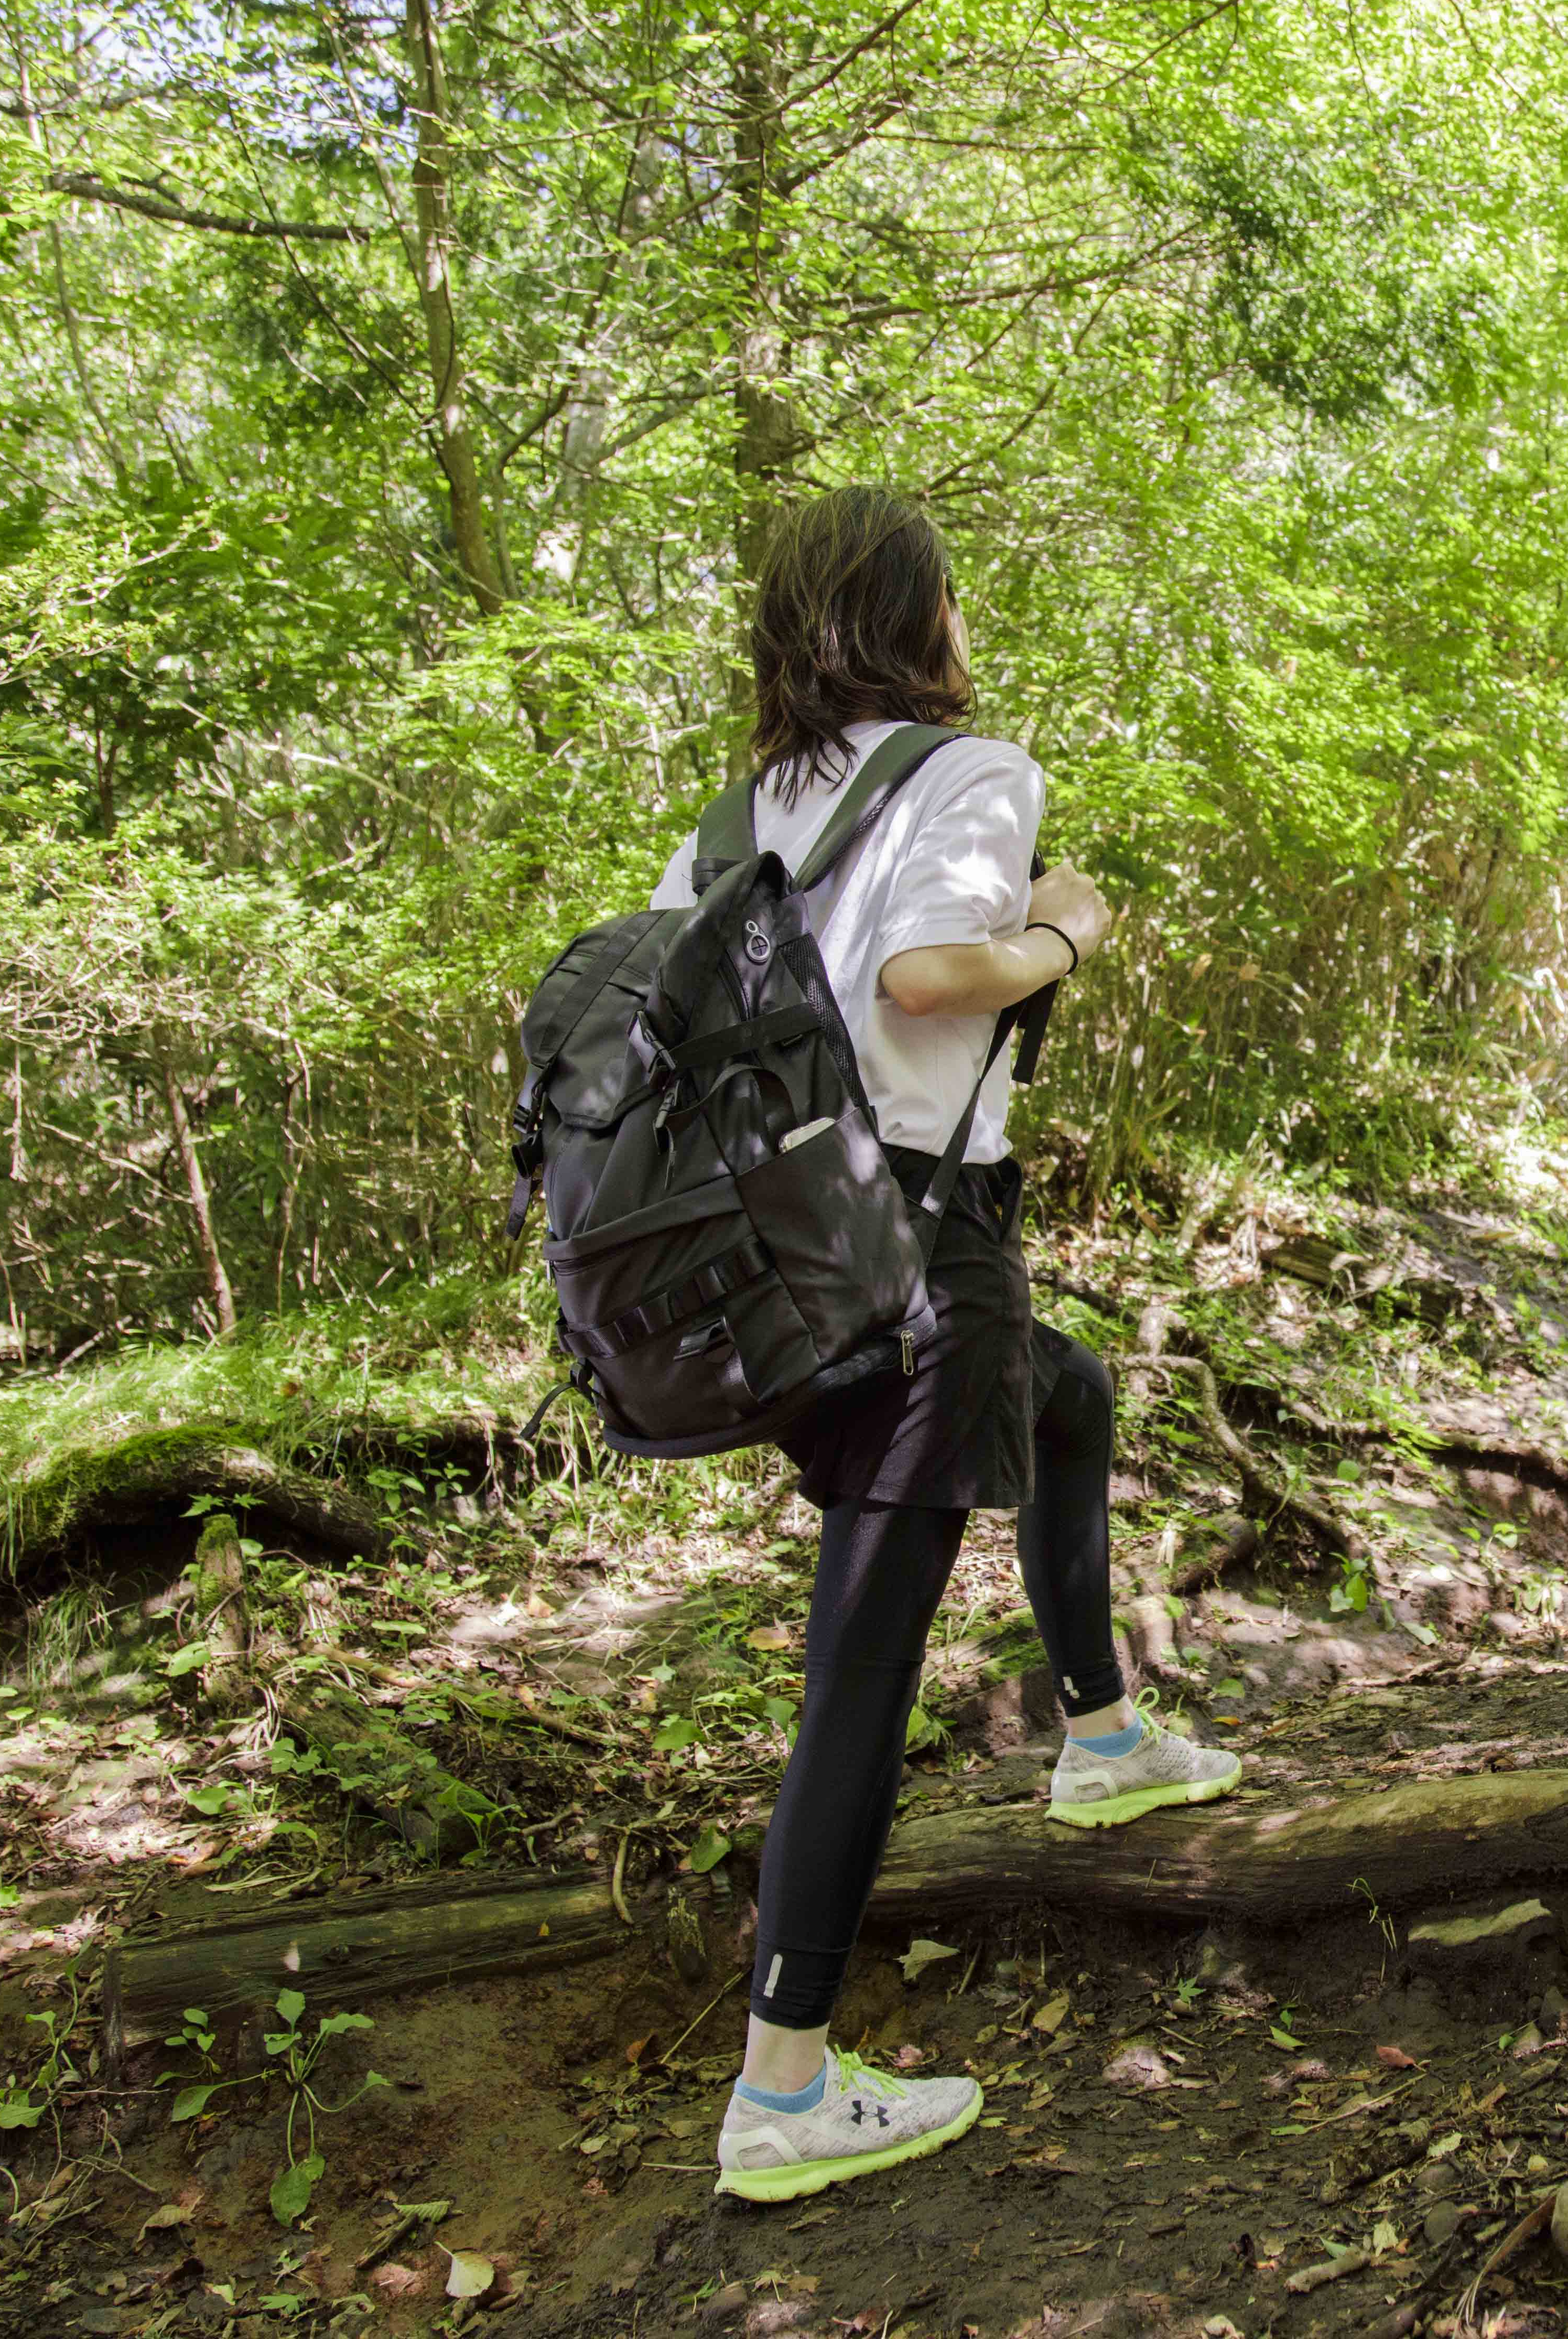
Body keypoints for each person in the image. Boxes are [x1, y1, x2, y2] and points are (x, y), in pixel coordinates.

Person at [647, 488, 1243, 2205]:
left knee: (1070, 1396)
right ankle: (784, 2082)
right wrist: (1066, 931)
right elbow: (926, 976)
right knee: (870, 1641)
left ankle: (1108, 1739)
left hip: (781, 1250)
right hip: (921, 1246)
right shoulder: (971, 774)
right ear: (922, 615)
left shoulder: (734, 811)